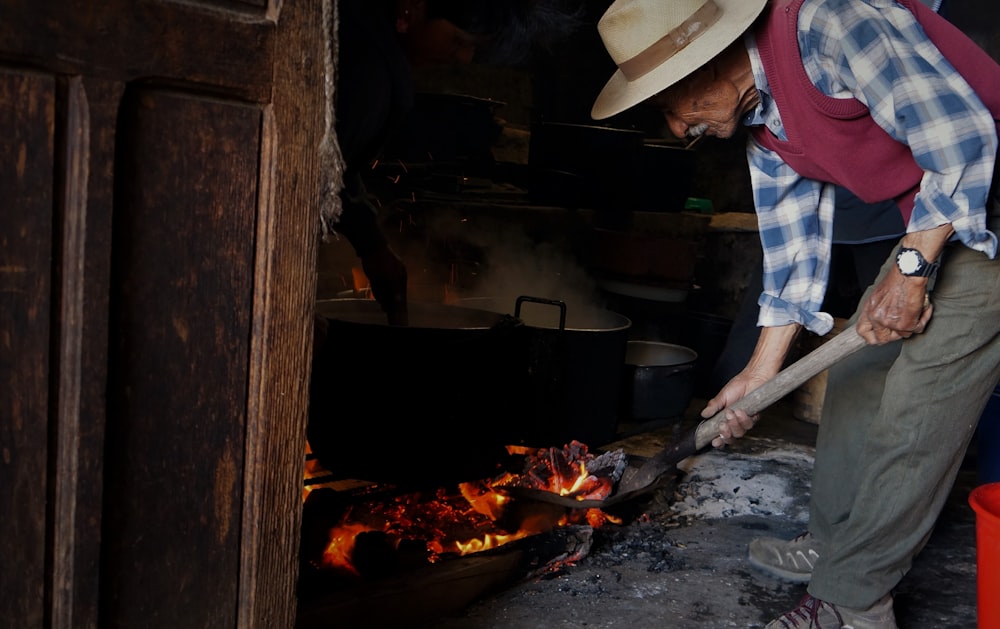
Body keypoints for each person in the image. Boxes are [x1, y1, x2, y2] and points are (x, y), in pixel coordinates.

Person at [590, 0, 1000, 627]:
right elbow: (794, 257)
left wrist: (912, 269)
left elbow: (962, 138)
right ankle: (836, 548)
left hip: (989, 197)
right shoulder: (766, 127)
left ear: (707, 59)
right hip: (942, 214)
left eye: (670, 103)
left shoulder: (829, 21)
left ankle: (852, 600)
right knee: (861, 379)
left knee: (920, 399)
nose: (676, 128)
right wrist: (758, 376)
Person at [323, 0, 580, 326]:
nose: (464, 57)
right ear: (412, 8)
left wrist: (373, 246)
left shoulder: (373, 50)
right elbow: (318, 171)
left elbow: (336, 168)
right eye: (459, 40)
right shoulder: (368, 70)